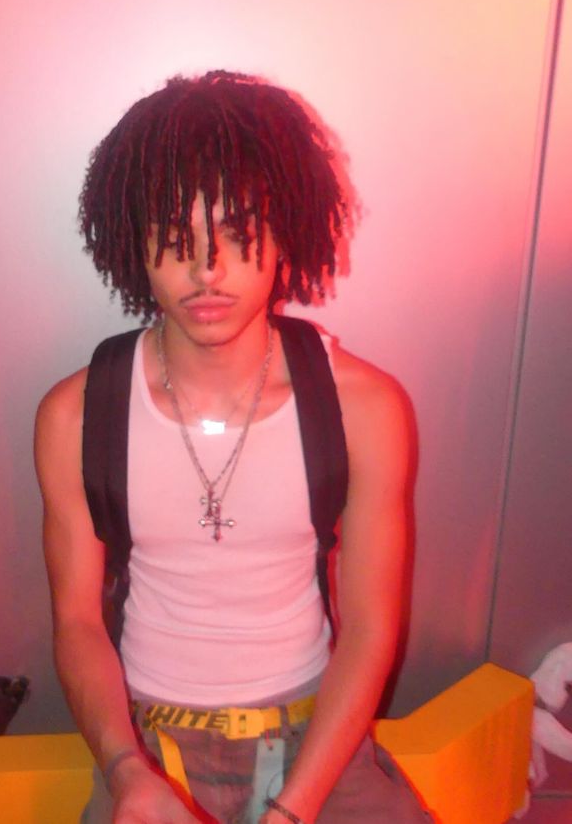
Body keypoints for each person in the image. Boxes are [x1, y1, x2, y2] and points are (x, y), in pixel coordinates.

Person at [34, 71, 430, 823]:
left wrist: (295, 806)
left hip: (318, 732)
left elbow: (371, 627)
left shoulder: (365, 407)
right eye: (174, 234)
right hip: (147, 738)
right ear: (132, 240)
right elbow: (78, 621)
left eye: (239, 231)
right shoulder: (73, 415)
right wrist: (125, 772)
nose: (206, 267)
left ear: (286, 233)